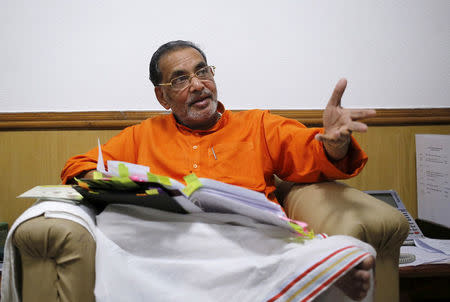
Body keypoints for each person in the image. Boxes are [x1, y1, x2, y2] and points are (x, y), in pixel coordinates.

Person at [61, 40, 377, 300]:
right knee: (115, 225)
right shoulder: (143, 135)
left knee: (343, 248)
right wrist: (113, 182)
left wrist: (335, 145)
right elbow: (79, 168)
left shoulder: (258, 126)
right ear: (163, 96)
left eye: (203, 72)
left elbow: (315, 151)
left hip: (247, 242)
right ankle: (317, 271)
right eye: (181, 79)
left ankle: (321, 269)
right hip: (176, 249)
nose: (198, 85)